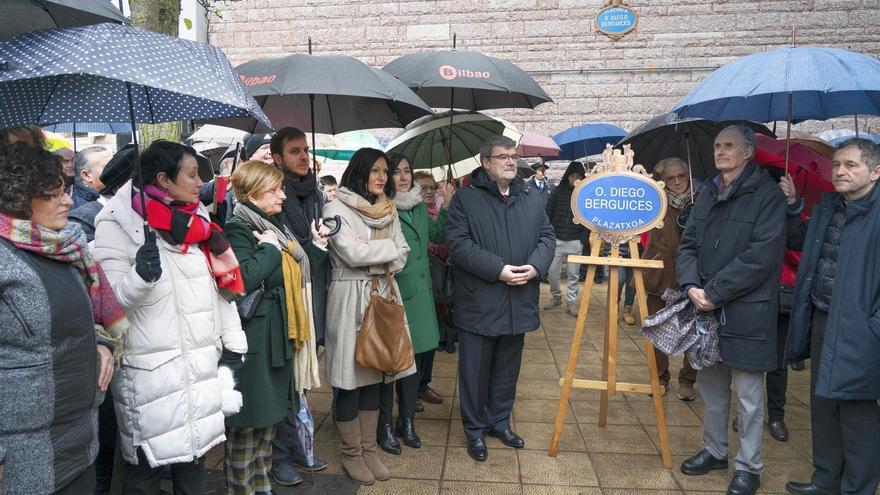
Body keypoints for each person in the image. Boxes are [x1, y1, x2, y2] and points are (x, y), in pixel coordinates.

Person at [92, 141, 248, 494]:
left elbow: (214, 290)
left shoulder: (198, 220)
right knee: (145, 476)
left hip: (198, 366)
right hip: (150, 378)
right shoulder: (117, 225)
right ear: (163, 179)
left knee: (194, 472)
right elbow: (110, 305)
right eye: (192, 175)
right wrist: (140, 277)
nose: (199, 184)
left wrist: (233, 341)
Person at [0, 143, 124, 494]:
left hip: (78, 441)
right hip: (18, 455)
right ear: (18, 198)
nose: (68, 201)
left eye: (65, 191)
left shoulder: (68, 249)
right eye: (54, 195)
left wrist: (101, 343)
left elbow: (81, 318)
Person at [676, 125, 785, 495]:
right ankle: (715, 450)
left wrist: (716, 292)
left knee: (750, 398)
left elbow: (762, 257)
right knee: (712, 388)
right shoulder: (707, 191)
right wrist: (692, 286)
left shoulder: (768, 196)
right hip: (704, 310)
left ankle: (749, 467)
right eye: (717, 146)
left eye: (728, 146)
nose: (720, 152)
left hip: (747, 311)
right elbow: (688, 244)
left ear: (748, 152)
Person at [780, 138, 880, 495]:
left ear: (876, 171)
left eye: (851, 165)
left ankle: (858, 488)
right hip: (823, 318)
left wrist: (873, 328)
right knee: (823, 404)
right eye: (837, 164)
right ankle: (826, 481)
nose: (841, 171)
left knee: (856, 412)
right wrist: (792, 205)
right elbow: (802, 244)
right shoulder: (829, 207)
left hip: (860, 328)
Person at [446, 135, 554, 462]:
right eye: (503, 156)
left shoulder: (531, 197)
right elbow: (459, 245)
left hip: (518, 301)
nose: (511, 161)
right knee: (475, 374)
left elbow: (547, 236)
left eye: (513, 155)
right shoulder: (465, 199)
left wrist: (535, 266)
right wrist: (498, 270)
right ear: (486, 163)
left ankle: (499, 422)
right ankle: (475, 430)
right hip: (480, 302)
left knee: (507, 371)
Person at [223, 160, 325, 493]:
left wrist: (316, 247)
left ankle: (262, 486)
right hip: (256, 341)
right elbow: (245, 277)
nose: (283, 195)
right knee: (248, 423)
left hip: (280, 336)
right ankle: (242, 488)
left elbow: (294, 270)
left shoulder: (274, 224)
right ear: (252, 194)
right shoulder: (238, 227)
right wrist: (268, 246)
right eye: (275, 190)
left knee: (269, 421)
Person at [322, 147, 412, 485]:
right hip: (348, 298)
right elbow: (351, 252)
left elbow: (403, 254)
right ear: (359, 172)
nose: (382, 177)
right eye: (375, 170)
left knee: (377, 376)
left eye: (385, 172)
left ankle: (369, 449)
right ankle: (351, 453)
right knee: (350, 380)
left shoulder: (390, 210)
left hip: (383, 294)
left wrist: (371, 251)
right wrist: (381, 252)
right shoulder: (335, 208)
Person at [268, 127, 331, 485]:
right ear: (277, 159)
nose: (304, 156)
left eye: (305, 150)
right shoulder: (277, 199)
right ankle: (281, 458)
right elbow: (293, 253)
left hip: (315, 297)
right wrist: (316, 242)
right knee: (286, 384)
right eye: (295, 151)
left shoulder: (316, 193)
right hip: (291, 302)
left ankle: (298, 448)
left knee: (301, 383)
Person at [377, 153, 448, 455]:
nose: (404, 177)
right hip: (394, 294)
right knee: (388, 367)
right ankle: (384, 426)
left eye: (407, 171)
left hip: (421, 298)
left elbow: (438, 235)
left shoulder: (419, 205)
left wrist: (447, 206)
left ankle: (407, 422)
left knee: (412, 365)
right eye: (397, 172)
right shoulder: (380, 207)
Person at [643, 157, 698, 401]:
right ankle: (659, 378)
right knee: (655, 331)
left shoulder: (701, 200)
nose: (677, 181)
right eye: (670, 178)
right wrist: (655, 175)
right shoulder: (655, 199)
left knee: (694, 332)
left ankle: (688, 380)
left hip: (693, 276)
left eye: (681, 176)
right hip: (659, 273)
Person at [415, 171, 457, 356]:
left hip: (440, 271)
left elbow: (442, 238)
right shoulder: (412, 213)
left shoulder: (439, 211)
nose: (429, 191)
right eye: (423, 188)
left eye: (432, 187)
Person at [544, 161, 587, 316]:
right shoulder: (557, 192)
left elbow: (588, 218)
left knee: (573, 275)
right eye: (573, 175)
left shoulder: (585, 193)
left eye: (578, 176)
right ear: (568, 176)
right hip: (557, 239)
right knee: (552, 272)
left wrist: (583, 238)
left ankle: (571, 302)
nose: (575, 178)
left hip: (575, 241)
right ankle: (556, 297)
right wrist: (549, 236)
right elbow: (547, 214)